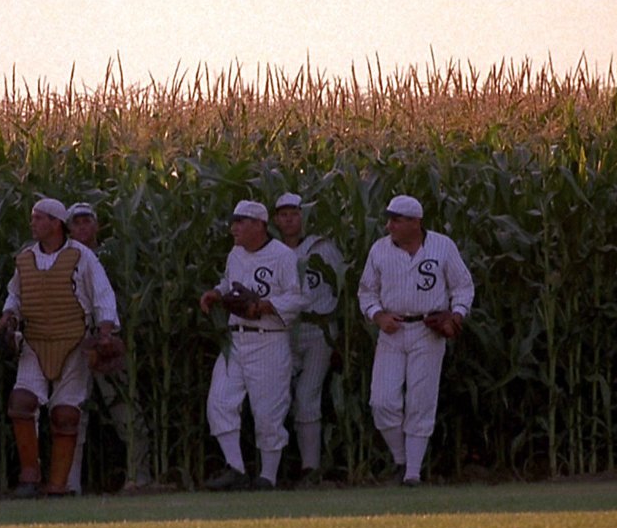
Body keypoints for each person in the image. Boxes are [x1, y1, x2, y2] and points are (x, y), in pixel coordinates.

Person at [0, 198, 120, 498]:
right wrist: (8, 315)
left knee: (66, 414)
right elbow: (15, 294)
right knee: (22, 401)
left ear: (55, 223)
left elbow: (102, 294)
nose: (33, 223)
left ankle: (58, 484)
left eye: (38, 218)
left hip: (74, 342)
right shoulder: (25, 258)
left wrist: (105, 331)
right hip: (35, 342)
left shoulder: (82, 256)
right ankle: (29, 475)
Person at [357, 195, 475, 486]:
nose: (389, 226)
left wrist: (456, 317)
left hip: (427, 330)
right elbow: (366, 292)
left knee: (421, 401)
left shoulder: (442, 246)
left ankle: (412, 473)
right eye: (390, 219)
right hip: (392, 330)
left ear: (415, 222)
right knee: (382, 401)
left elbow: (463, 286)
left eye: (396, 220)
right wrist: (377, 315)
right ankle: (401, 459)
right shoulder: (380, 250)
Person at [199, 200, 304, 490]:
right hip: (236, 338)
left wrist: (264, 306)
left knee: (269, 412)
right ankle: (236, 469)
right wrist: (216, 293)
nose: (234, 228)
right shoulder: (236, 253)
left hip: (268, 340)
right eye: (233, 222)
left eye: (240, 222)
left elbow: (296, 298)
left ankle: (267, 478)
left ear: (259, 224)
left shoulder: (282, 256)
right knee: (219, 402)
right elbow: (230, 283)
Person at [64, 202, 154, 494]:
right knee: (74, 411)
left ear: (97, 225)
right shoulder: (62, 260)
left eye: (87, 221)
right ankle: (70, 483)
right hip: (76, 344)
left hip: (108, 342)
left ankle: (138, 477)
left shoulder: (115, 256)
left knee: (124, 408)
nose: (82, 227)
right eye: (76, 223)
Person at [273, 192, 347, 485]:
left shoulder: (323, 248)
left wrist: (341, 337)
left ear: (305, 215)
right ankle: (275, 468)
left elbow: (342, 289)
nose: (289, 219)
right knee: (277, 399)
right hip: (283, 332)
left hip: (319, 331)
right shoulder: (272, 252)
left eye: (295, 213)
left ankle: (310, 468)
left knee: (307, 397)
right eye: (283, 214)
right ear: (276, 220)